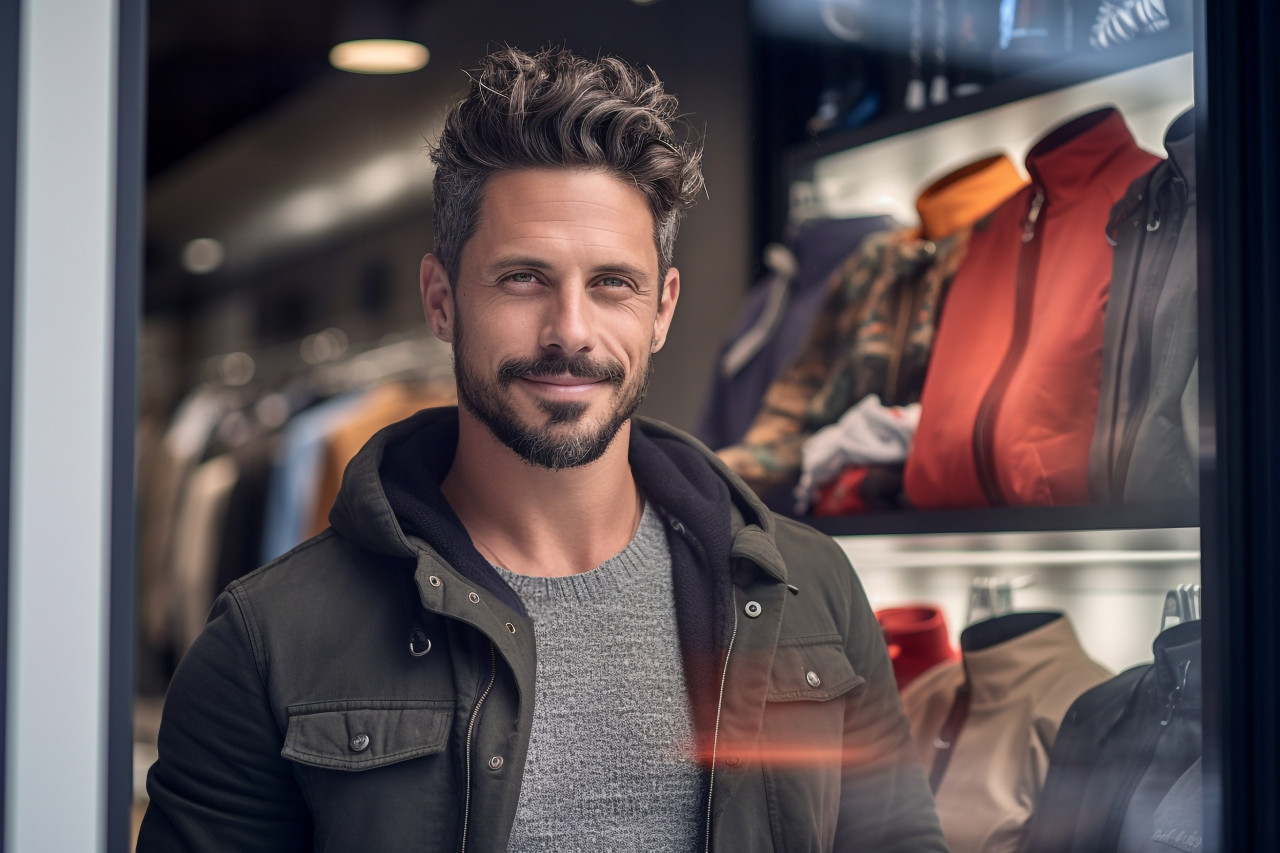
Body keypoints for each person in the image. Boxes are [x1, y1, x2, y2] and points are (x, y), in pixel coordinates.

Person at [137, 45, 948, 852]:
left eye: (611, 283)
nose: (571, 332)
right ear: (441, 300)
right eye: (524, 278)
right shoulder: (269, 638)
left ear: (661, 309)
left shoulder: (813, 588)